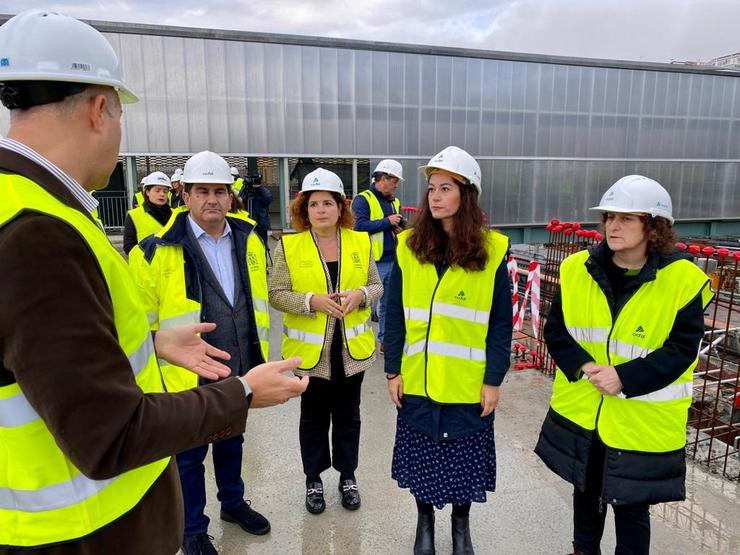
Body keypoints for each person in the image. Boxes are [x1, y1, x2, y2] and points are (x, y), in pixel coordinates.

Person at [0, 10, 307, 555]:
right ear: (100, 109)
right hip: (83, 532)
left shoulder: (33, 208)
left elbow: (50, 353)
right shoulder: (37, 233)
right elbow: (109, 433)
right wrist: (242, 393)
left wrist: (154, 341)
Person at [534, 175, 713, 555]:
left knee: (631, 505)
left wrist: (623, 378)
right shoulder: (577, 269)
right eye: (610, 217)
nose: (613, 226)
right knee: (585, 489)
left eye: (627, 219)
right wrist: (584, 366)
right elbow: (557, 330)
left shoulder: (681, 280)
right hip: (585, 410)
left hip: (639, 420)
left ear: (654, 226)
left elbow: (681, 349)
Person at [129, 150, 272, 554]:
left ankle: (232, 502)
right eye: (202, 191)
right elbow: (139, 326)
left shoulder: (248, 239)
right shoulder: (153, 252)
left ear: (230, 196)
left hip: (235, 364)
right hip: (183, 376)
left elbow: (254, 300)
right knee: (189, 457)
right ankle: (192, 528)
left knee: (232, 441)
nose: (212, 198)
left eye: (219, 191)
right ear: (185, 195)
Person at [384, 146, 512, 555]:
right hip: (417, 380)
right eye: (431, 188)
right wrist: (392, 371)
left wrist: (493, 380)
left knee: (462, 464)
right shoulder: (408, 246)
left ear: (467, 195)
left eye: (445, 188)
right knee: (421, 460)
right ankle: (424, 524)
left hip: (466, 384)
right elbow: (394, 315)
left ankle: (460, 526)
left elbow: (500, 325)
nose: (434, 197)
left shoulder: (491, 253)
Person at [269, 168, 382, 515]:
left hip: (351, 351)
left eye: (328, 203)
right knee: (313, 417)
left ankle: (348, 476)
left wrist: (360, 295)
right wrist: (311, 302)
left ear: (340, 207)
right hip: (311, 353)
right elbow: (276, 294)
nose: (321, 210)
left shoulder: (359, 242)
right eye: (313, 204)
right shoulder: (289, 245)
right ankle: (313, 479)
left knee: (349, 416)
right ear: (304, 209)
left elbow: (376, 286)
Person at [351, 159, 404, 352]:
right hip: (373, 262)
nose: (396, 185)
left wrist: (397, 228)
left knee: (389, 305)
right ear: (382, 178)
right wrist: (386, 221)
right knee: (366, 305)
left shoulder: (394, 201)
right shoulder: (363, 199)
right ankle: (360, 343)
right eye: (394, 180)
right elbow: (358, 227)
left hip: (393, 260)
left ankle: (385, 341)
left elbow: (391, 225)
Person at [122, 170, 173, 254]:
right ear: (147, 192)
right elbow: (129, 247)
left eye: (165, 191)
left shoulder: (175, 214)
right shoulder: (134, 215)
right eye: (157, 190)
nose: (162, 194)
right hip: (147, 266)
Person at [239, 172, 272, 248]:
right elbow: (239, 200)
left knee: (262, 245)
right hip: (248, 222)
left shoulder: (263, 191)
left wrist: (259, 188)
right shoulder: (246, 190)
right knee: (249, 246)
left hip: (261, 223)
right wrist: (245, 188)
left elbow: (268, 199)